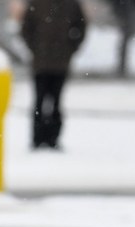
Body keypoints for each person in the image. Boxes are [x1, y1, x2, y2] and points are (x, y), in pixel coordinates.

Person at [20, 0, 87, 149]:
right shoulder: (38, 3)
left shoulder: (70, 5)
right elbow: (26, 29)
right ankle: (39, 138)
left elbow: (81, 28)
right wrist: (36, 49)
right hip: (42, 64)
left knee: (54, 102)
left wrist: (69, 49)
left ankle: (51, 138)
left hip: (57, 64)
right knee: (41, 102)